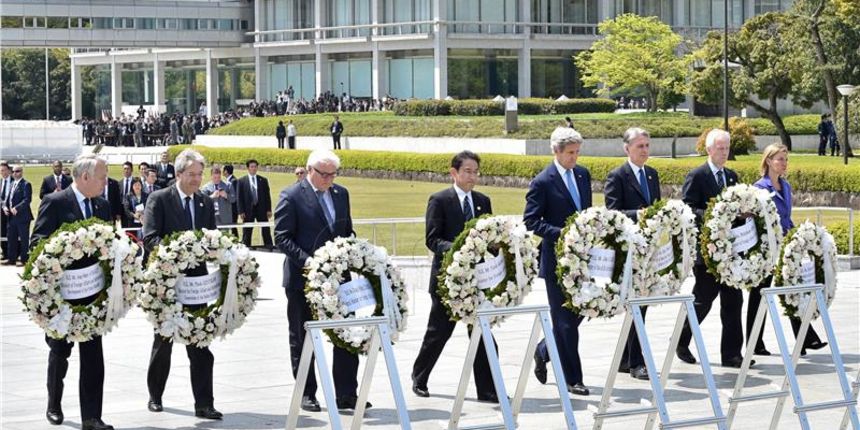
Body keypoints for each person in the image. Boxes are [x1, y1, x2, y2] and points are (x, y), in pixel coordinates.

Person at [30, 154, 114, 430]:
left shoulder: (102, 205)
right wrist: (65, 248)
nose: (106, 181)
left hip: (93, 295)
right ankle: (54, 402)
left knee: (93, 356)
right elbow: (38, 242)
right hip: (63, 296)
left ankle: (92, 417)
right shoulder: (56, 202)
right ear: (85, 177)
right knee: (59, 351)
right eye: (101, 177)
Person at [274, 149, 362, 412]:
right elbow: (282, 237)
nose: (328, 179)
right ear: (309, 170)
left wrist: (352, 249)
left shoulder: (341, 193)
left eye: (333, 174)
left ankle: (347, 393)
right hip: (304, 280)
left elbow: (346, 230)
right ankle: (307, 392)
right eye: (323, 174)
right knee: (303, 337)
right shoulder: (291, 196)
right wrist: (312, 263)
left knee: (346, 335)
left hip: (340, 280)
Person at [411, 151, 500, 402]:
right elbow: (433, 239)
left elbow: (489, 236)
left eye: (476, 172)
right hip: (447, 281)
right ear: (454, 173)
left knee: (482, 334)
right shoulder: (439, 200)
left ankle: (487, 389)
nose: (473, 176)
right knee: (438, 332)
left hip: (477, 281)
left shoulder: (483, 200)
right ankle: (420, 377)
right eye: (468, 171)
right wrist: (462, 248)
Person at [142, 149, 222, 420]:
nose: (197, 180)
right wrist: (181, 252)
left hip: (196, 286)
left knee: (200, 342)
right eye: (192, 175)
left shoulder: (203, 201)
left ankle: (204, 403)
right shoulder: (159, 199)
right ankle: (155, 395)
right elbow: (150, 238)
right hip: (166, 284)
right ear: (178, 174)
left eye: (200, 174)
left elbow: (212, 237)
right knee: (163, 343)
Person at [524, 127, 592, 396]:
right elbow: (531, 220)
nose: (575, 158)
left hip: (583, 259)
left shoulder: (583, 175)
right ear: (556, 151)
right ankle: (573, 378)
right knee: (564, 320)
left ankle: (543, 350)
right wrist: (561, 233)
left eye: (577, 152)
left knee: (583, 311)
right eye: (570, 153)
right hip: (556, 262)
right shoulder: (543, 181)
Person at [676, 129, 751, 369]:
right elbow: (688, 208)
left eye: (727, 148)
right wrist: (715, 215)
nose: (724, 152)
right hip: (707, 251)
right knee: (703, 300)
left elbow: (738, 208)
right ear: (708, 150)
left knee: (733, 301)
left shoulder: (732, 176)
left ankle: (732, 354)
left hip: (730, 252)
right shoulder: (697, 175)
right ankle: (681, 340)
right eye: (720, 148)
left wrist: (741, 215)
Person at [748, 144, 828, 357]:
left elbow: (786, 217)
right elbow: (757, 220)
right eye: (780, 159)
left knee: (792, 289)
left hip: (785, 247)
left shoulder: (786, 186)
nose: (784, 163)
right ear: (768, 161)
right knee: (759, 294)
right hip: (767, 250)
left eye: (786, 159)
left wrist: (797, 236)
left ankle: (805, 339)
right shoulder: (760, 188)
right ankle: (754, 343)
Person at [603, 127, 661, 381]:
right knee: (636, 305)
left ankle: (627, 360)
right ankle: (636, 362)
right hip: (626, 252)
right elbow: (612, 213)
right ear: (627, 149)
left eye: (647, 145)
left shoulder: (652, 175)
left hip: (647, 250)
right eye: (640, 146)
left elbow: (656, 209)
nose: (645, 151)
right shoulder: (617, 176)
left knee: (640, 306)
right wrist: (638, 215)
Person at [236, 160, 273, 250]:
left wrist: (269, 209)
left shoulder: (263, 180)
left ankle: (269, 247)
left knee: (265, 230)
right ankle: (246, 248)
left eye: (255, 166)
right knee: (247, 231)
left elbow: (267, 196)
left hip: (262, 209)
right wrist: (241, 211)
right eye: (251, 166)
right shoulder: (241, 181)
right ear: (248, 168)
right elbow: (239, 198)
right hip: (248, 210)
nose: (253, 168)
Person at [2, 165, 32, 266]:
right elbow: (8, 198)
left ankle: (24, 260)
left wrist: (17, 208)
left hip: (22, 217)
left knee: (23, 239)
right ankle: (11, 259)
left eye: (17, 171)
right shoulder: (11, 184)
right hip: (11, 217)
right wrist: (5, 207)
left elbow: (27, 200)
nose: (15, 173)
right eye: (13, 171)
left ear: (22, 172)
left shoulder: (26, 184)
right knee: (11, 238)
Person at [223, 164, 240, 237]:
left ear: (226, 171)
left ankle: (236, 241)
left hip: (233, 208)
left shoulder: (233, 181)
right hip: (228, 208)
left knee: (233, 226)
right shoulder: (229, 180)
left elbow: (235, 196)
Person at [0, 162, 11, 260]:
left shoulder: (13, 181)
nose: (2, 173)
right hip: (1, 211)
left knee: (12, 231)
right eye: (0, 171)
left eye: (3, 170)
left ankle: (14, 252)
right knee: (2, 231)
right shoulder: (0, 182)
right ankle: (4, 252)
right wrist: (3, 206)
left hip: (12, 210)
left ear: (8, 170)